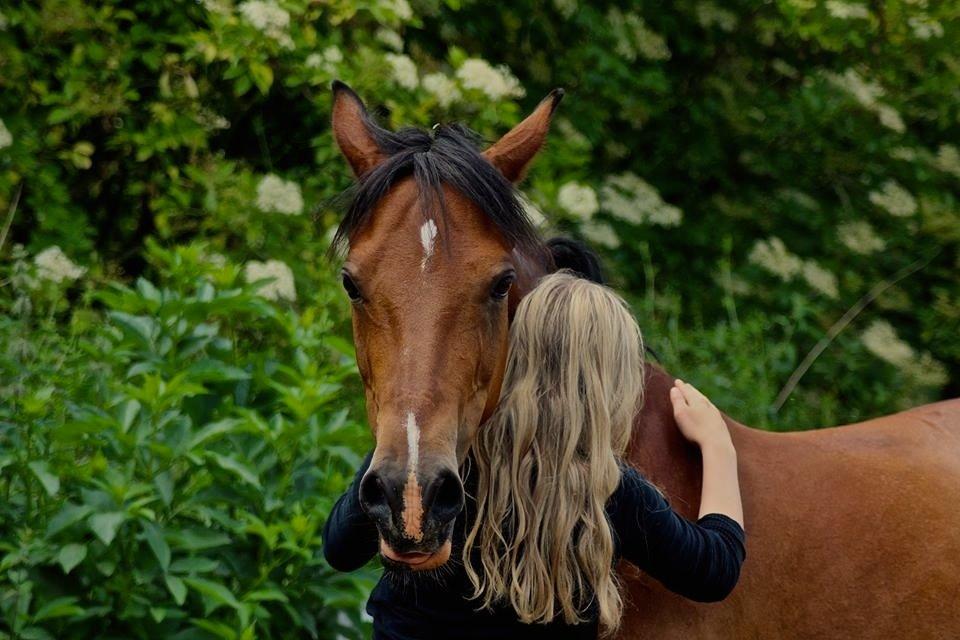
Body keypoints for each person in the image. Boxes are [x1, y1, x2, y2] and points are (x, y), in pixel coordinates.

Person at [323, 272, 745, 639]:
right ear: (610, 384)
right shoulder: (606, 490)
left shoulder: (448, 459)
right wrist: (719, 447)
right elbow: (714, 569)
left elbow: (339, 548)